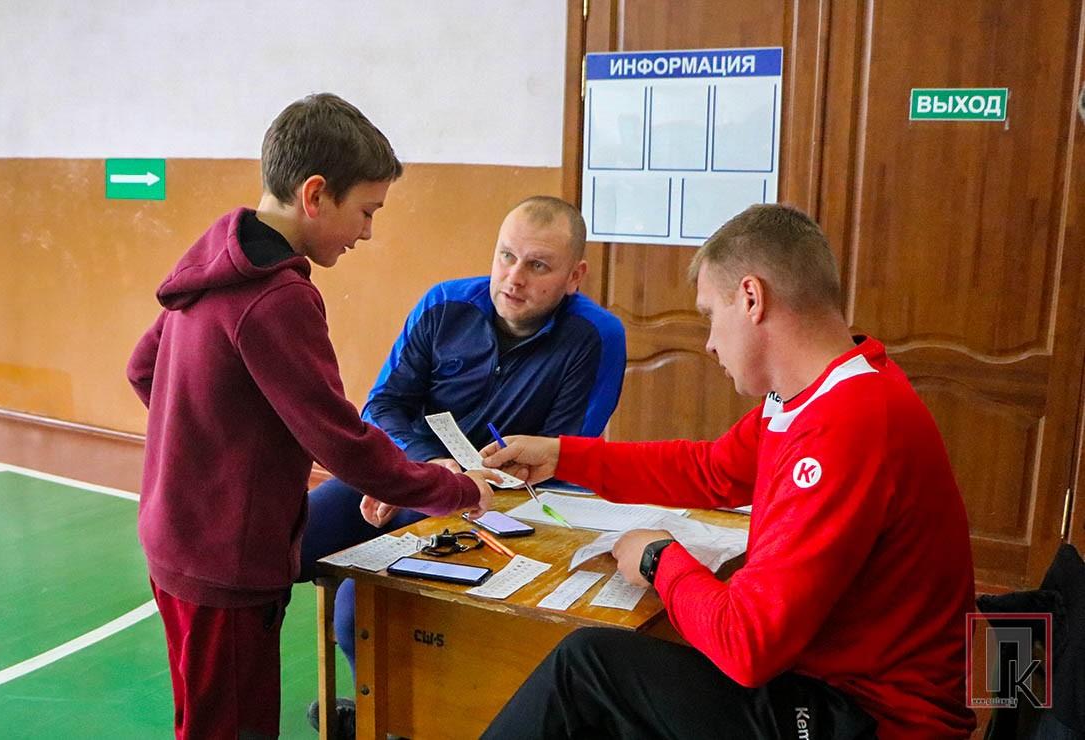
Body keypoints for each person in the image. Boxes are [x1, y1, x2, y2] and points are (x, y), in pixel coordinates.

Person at [480, 204, 977, 739]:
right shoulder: (818, 393)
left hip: (872, 719)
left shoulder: (850, 424)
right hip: (826, 687)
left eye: (710, 316)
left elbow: (747, 645)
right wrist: (565, 455)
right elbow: (712, 470)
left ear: (751, 298)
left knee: (587, 668)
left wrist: (658, 558)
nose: (711, 342)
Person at [125, 93, 498, 740]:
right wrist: (454, 489)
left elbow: (142, 369)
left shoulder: (212, 263)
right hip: (227, 563)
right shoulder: (279, 298)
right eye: (366, 211)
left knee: (202, 719)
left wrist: (207, 447)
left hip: (174, 538)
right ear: (316, 194)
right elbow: (340, 440)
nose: (367, 233)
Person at [300, 195, 627, 734]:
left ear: (575, 277)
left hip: (493, 507)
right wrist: (428, 466)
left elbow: (566, 456)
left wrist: (468, 484)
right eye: (506, 256)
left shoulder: (597, 337)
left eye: (537, 266)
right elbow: (383, 406)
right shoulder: (443, 303)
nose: (513, 278)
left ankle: (388, 723)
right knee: (281, 543)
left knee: (359, 608)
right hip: (408, 478)